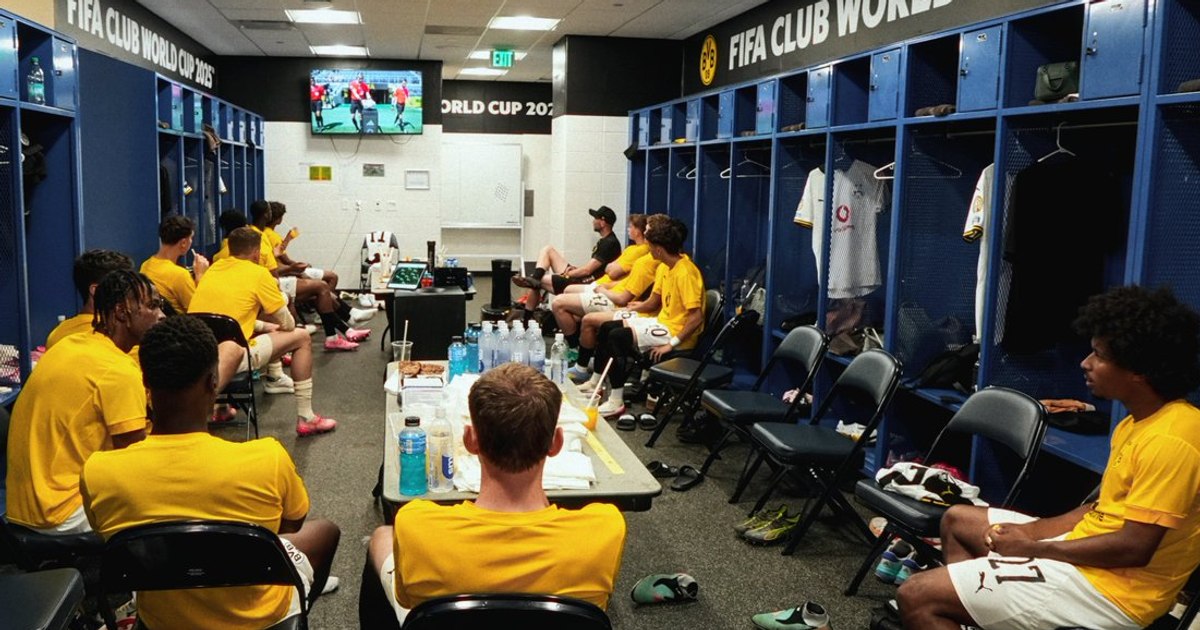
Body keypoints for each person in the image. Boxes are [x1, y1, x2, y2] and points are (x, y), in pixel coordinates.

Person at [898, 285, 1200, 630]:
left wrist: (1035, 548)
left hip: (1114, 592)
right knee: (957, 520)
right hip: (1089, 555)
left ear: (1139, 370)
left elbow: (1134, 549)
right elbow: (1098, 510)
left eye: (1099, 356)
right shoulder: (1138, 421)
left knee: (917, 595)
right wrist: (1032, 533)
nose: (1085, 364)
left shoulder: (1174, 440)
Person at [81, 315, 340, 630]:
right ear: (213, 381)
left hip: (162, 622)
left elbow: (109, 534)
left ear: (145, 382)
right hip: (263, 621)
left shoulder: (99, 472)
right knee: (326, 531)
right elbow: (290, 524)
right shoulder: (267, 458)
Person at [365, 363, 626, 624]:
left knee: (381, 537)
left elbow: (406, 600)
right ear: (556, 443)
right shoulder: (606, 527)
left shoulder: (414, 524)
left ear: (470, 439)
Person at [6, 270, 160, 533]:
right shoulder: (118, 370)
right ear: (122, 312)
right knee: (169, 500)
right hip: (60, 512)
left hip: (21, 507)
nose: (161, 315)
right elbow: (134, 464)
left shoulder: (70, 344)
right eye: (153, 306)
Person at [189, 227, 338, 436]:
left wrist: (264, 327)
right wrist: (280, 323)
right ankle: (306, 417)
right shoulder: (258, 274)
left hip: (200, 354)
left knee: (257, 324)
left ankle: (221, 408)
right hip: (235, 355)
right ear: (257, 253)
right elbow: (287, 323)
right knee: (302, 337)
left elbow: (224, 317)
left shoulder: (214, 269)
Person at [588, 218, 704, 418]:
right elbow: (654, 302)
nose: (648, 250)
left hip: (677, 332)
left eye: (650, 246)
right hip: (663, 323)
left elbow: (696, 317)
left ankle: (616, 401)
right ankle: (596, 384)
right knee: (608, 327)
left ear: (659, 249)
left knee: (618, 337)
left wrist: (671, 345)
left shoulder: (685, 272)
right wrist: (636, 308)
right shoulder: (665, 267)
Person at [551, 214, 651, 341]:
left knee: (560, 301)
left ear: (638, 230)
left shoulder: (642, 256)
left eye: (630, 227)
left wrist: (603, 289)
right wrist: (605, 284)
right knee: (567, 295)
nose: (628, 229)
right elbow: (609, 269)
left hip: (613, 297)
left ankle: (575, 343)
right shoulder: (631, 249)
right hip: (607, 287)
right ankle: (579, 338)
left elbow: (613, 275)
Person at [511, 206, 624, 317]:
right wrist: (575, 270)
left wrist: (569, 273)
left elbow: (587, 270)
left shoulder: (609, 243)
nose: (593, 221)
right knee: (548, 250)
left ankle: (526, 317)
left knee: (539, 281)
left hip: (587, 283)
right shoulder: (605, 240)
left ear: (603, 222)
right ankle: (534, 279)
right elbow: (591, 268)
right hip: (584, 277)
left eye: (596, 219)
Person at [45, 249, 134, 348]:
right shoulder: (122, 336)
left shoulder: (57, 334)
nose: (132, 293)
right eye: (124, 286)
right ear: (95, 290)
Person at [140, 214, 210, 315]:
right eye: (191, 238)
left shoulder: (146, 265)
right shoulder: (179, 275)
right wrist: (200, 275)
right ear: (183, 243)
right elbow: (201, 310)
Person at [266, 201, 339, 291]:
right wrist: (302, 266)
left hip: (281, 271)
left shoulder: (266, 233)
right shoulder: (272, 235)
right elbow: (286, 261)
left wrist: (288, 238)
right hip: (283, 272)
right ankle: (324, 298)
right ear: (279, 219)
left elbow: (278, 252)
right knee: (332, 277)